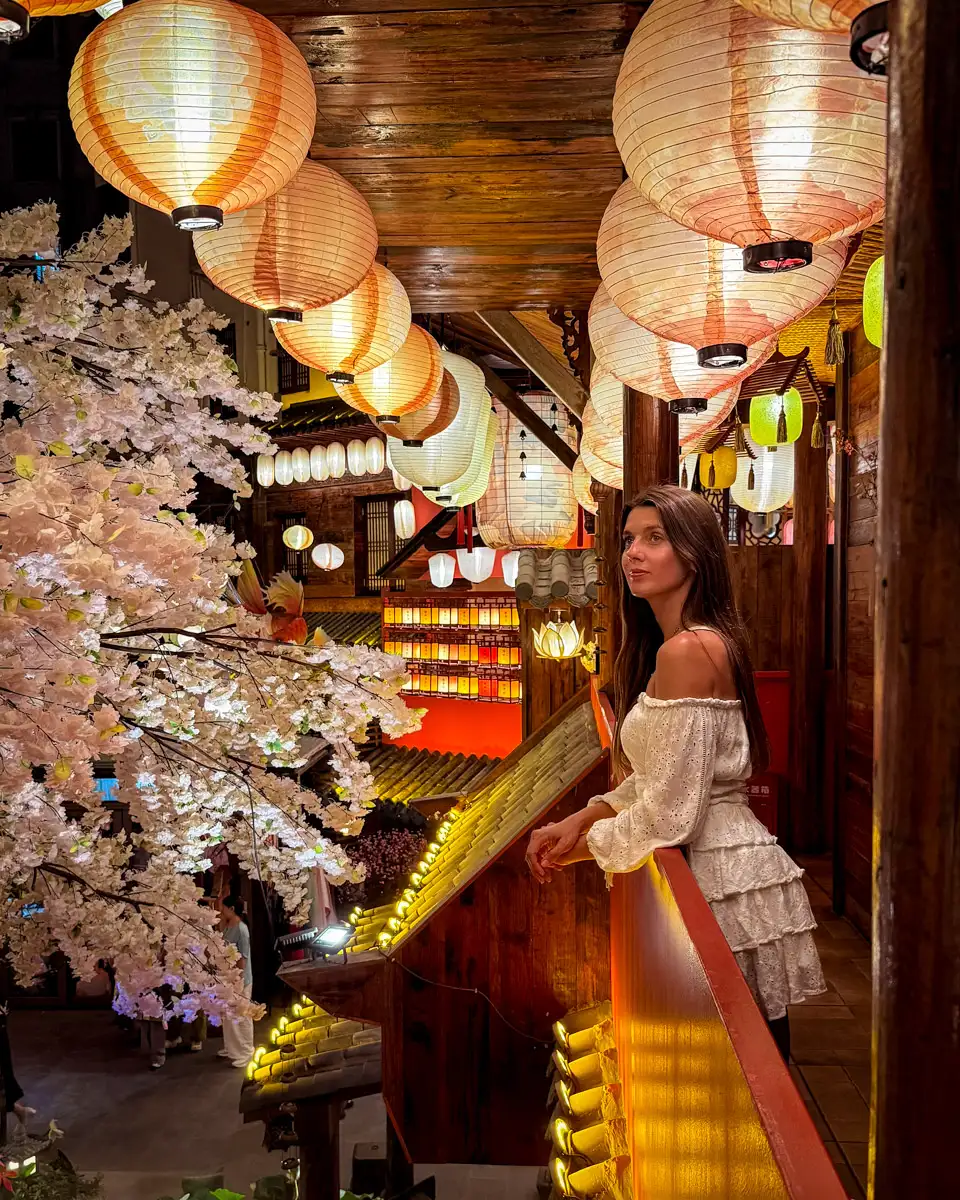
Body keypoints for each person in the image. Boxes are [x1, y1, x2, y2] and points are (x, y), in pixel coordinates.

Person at [525, 485, 825, 1057]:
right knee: (745, 1055)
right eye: (629, 539)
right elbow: (666, 774)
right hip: (717, 864)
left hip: (715, 875)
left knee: (735, 1063)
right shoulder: (685, 645)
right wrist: (588, 814)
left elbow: (670, 814)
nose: (633, 553)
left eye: (655, 539)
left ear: (695, 553)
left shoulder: (687, 652)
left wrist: (581, 845)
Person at [219, 894, 255, 1068]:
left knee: (242, 1014)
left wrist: (238, 979)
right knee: (228, 1014)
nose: (221, 911)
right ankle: (231, 1047)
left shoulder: (242, 929)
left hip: (240, 977)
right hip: (228, 974)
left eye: (224, 908)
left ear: (231, 909)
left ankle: (246, 1051)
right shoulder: (228, 926)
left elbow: (243, 957)